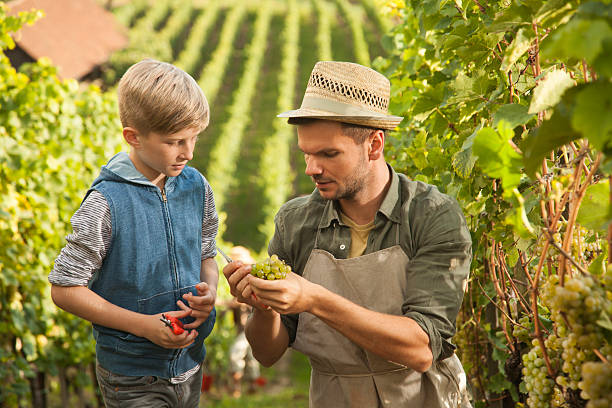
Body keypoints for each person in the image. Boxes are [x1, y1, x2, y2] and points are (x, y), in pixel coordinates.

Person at [223, 61, 472, 407]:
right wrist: (263, 308)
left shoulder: (430, 215)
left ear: (373, 145)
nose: (312, 169)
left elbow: (422, 348)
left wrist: (314, 299)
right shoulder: (294, 223)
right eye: (307, 154)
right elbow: (267, 353)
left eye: (328, 154)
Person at [49, 59, 218, 408]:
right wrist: (142, 325)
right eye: (175, 142)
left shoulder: (197, 187)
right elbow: (64, 289)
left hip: (189, 364)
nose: (188, 152)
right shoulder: (106, 203)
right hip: (131, 376)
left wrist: (210, 292)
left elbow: (206, 253)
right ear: (133, 137)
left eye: (194, 138)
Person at [226, 246, 263, 397]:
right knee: (250, 357)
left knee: (236, 355)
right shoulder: (238, 284)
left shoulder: (250, 281)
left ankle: (237, 388)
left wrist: (229, 304)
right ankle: (251, 387)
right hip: (242, 328)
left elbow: (247, 302)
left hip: (249, 327)